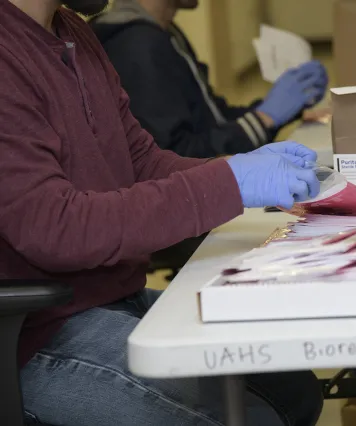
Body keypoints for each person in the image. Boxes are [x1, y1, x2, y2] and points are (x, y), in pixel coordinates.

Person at [0, 0, 324, 424]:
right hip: (34, 335)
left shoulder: (74, 32)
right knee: (249, 418)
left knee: (294, 389)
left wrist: (235, 168)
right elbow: (55, 228)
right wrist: (230, 182)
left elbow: (143, 164)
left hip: (111, 297)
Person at [90, 0, 329, 158]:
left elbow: (211, 117)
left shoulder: (163, 32)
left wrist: (283, 110)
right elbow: (177, 157)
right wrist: (264, 118)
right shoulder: (137, 44)